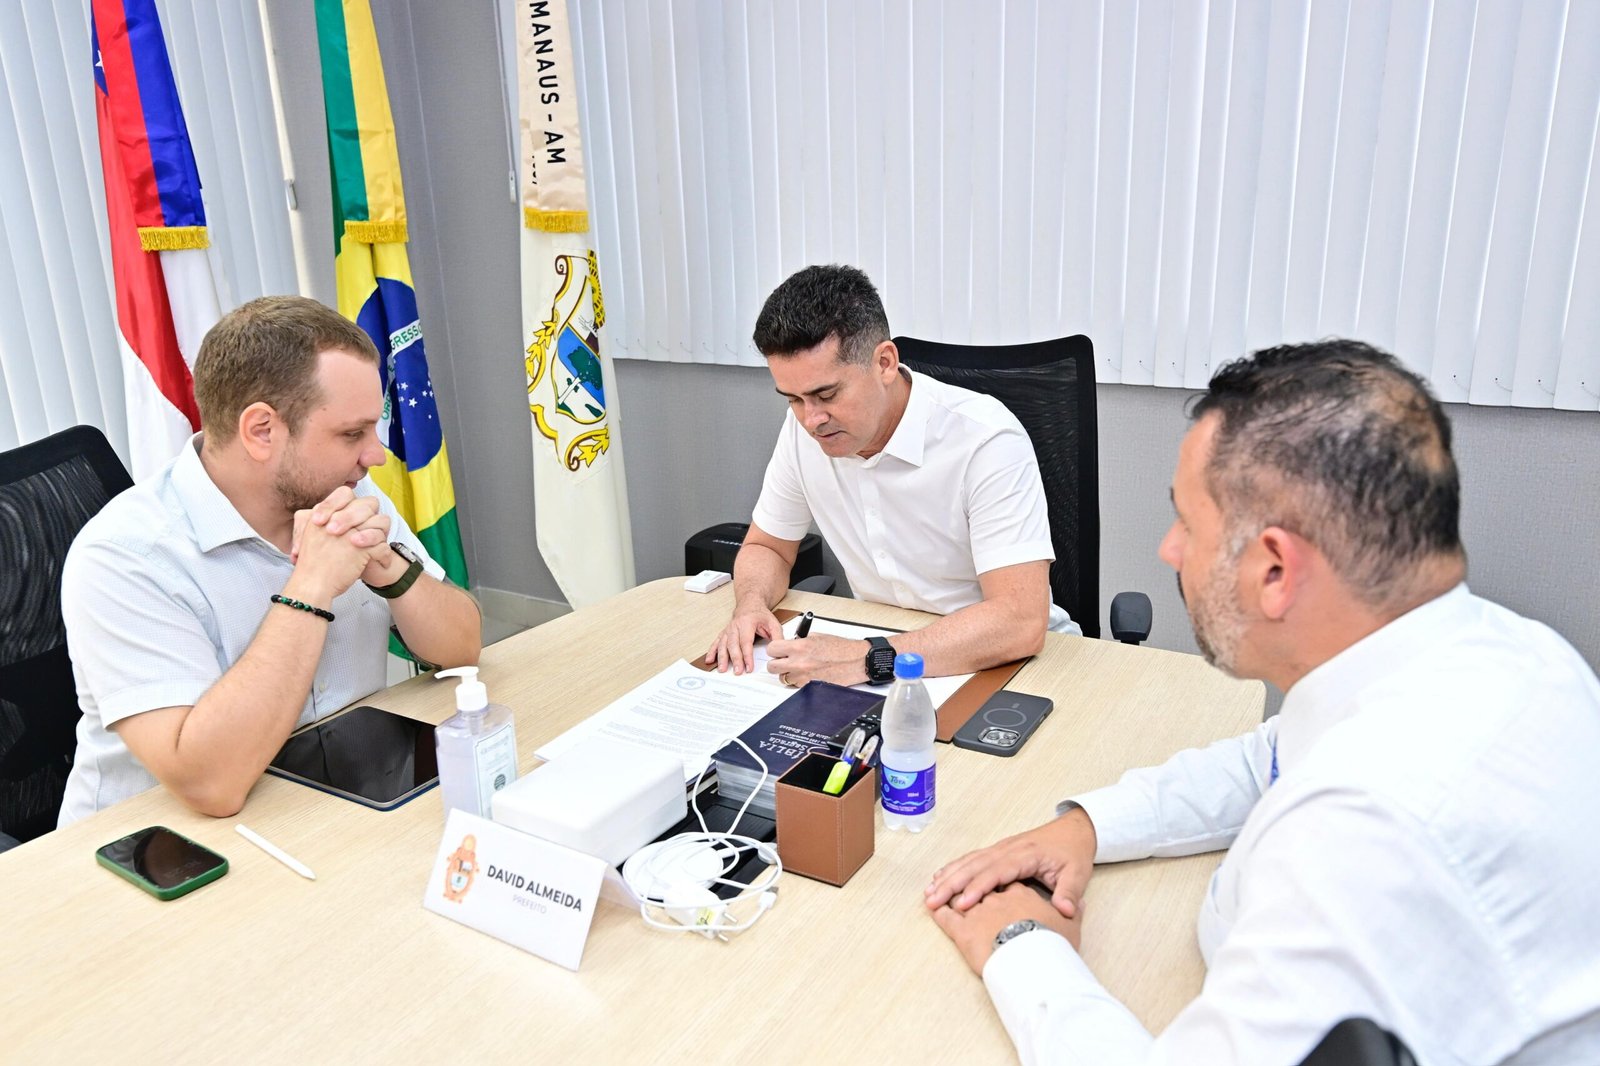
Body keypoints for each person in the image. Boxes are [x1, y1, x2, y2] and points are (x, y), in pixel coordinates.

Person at [924, 340, 1600, 1064]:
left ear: (1275, 570)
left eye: (1188, 525)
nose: (1168, 550)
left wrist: (1022, 945)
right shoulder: (1506, 654)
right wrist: (1086, 828)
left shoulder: (1369, 835)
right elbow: (1270, 761)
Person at [57, 295, 482, 824]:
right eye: (352, 433)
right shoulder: (125, 557)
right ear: (261, 430)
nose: (374, 455)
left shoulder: (343, 490)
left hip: (329, 797)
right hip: (157, 847)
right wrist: (311, 586)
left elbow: (462, 650)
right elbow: (210, 786)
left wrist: (392, 572)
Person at [705, 264, 1076, 688]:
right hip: (892, 655)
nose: (811, 420)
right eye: (793, 399)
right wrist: (751, 604)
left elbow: (1019, 621)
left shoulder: (985, 440)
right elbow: (767, 547)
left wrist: (870, 657)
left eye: (826, 394)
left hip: (1013, 665)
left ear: (884, 362)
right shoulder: (803, 431)